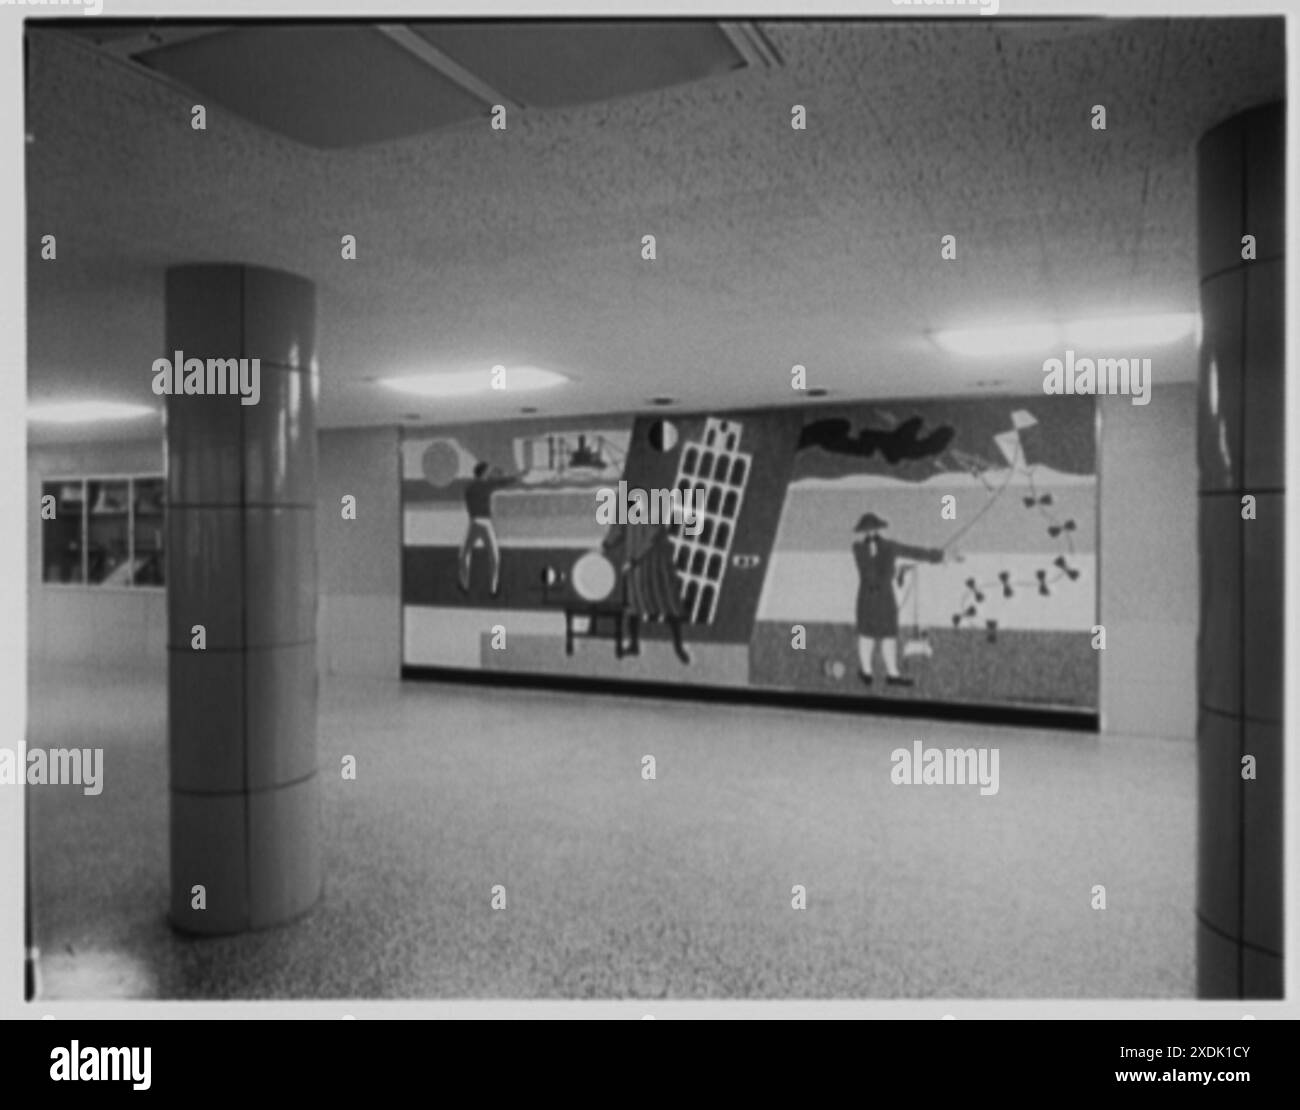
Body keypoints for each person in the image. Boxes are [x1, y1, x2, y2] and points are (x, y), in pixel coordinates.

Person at [852, 512, 945, 687]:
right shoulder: (858, 548)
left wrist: (938, 556)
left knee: (888, 636)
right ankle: (866, 672)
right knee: (866, 635)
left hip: (886, 597)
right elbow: (868, 569)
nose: (870, 532)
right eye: (867, 529)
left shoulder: (890, 546)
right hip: (866, 598)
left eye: (873, 528)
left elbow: (913, 552)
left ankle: (892, 674)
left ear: (878, 529)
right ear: (863, 531)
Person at [602, 521, 691, 664]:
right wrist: (606, 544)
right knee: (634, 604)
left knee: (668, 603)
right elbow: (618, 527)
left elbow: (653, 534)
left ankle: (678, 646)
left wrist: (634, 559)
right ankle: (634, 645)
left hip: (656, 562)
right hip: (636, 565)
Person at [458, 461, 515, 597]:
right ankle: (493, 589)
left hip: (473, 522)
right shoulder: (487, 485)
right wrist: (501, 474)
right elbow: (508, 481)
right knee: (494, 556)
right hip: (485, 522)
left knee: (464, 554)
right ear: (484, 472)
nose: (490, 473)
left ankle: (464, 585)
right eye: (488, 471)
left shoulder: (470, 487)